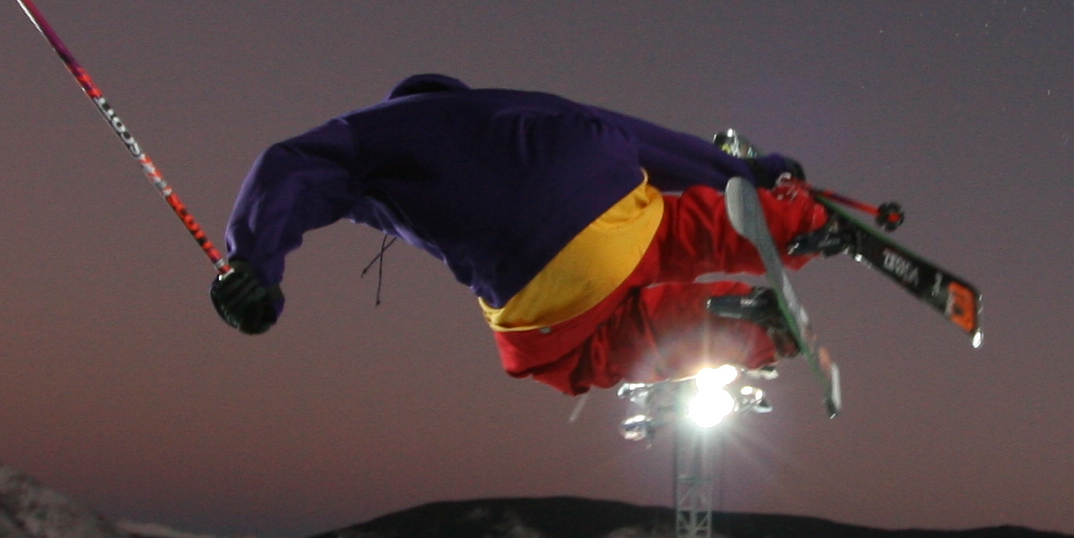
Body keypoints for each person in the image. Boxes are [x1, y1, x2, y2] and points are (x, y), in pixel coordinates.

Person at [211, 76, 833, 393]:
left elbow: (288, 167)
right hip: (601, 179)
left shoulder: (368, 133)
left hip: (535, 265)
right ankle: (797, 224)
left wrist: (253, 268)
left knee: (565, 356)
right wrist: (755, 175)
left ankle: (747, 325)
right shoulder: (518, 104)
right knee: (671, 229)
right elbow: (649, 143)